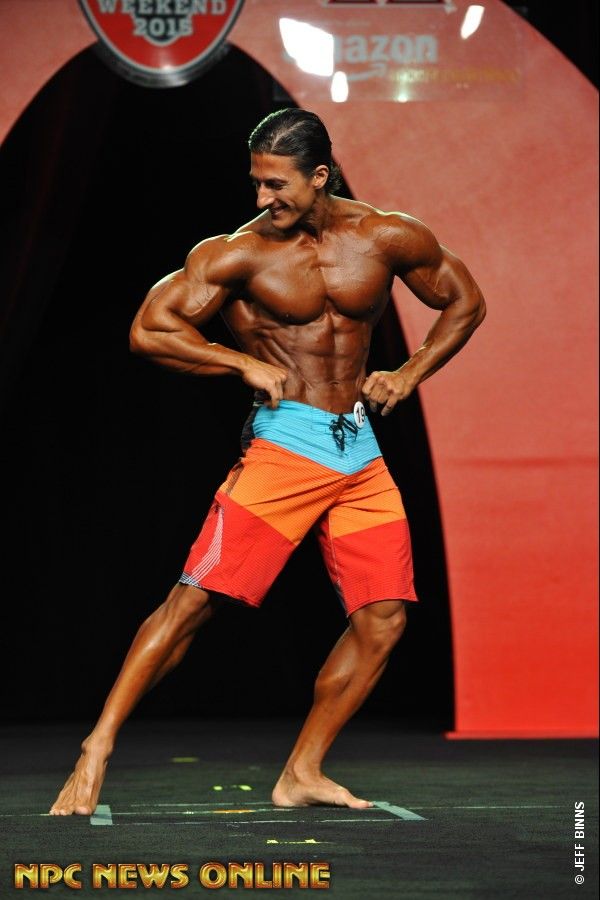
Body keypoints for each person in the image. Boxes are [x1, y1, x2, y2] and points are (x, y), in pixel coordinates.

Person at [50, 108, 485, 816]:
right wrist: (237, 361)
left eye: (276, 184)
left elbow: (465, 301)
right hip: (285, 446)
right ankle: (96, 747)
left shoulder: (386, 235)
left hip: (358, 449)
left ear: (320, 176)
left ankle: (302, 771)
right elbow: (148, 329)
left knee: (383, 619)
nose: (262, 197)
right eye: (256, 182)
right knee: (194, 603)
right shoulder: (239, 254)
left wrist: (409, 373)